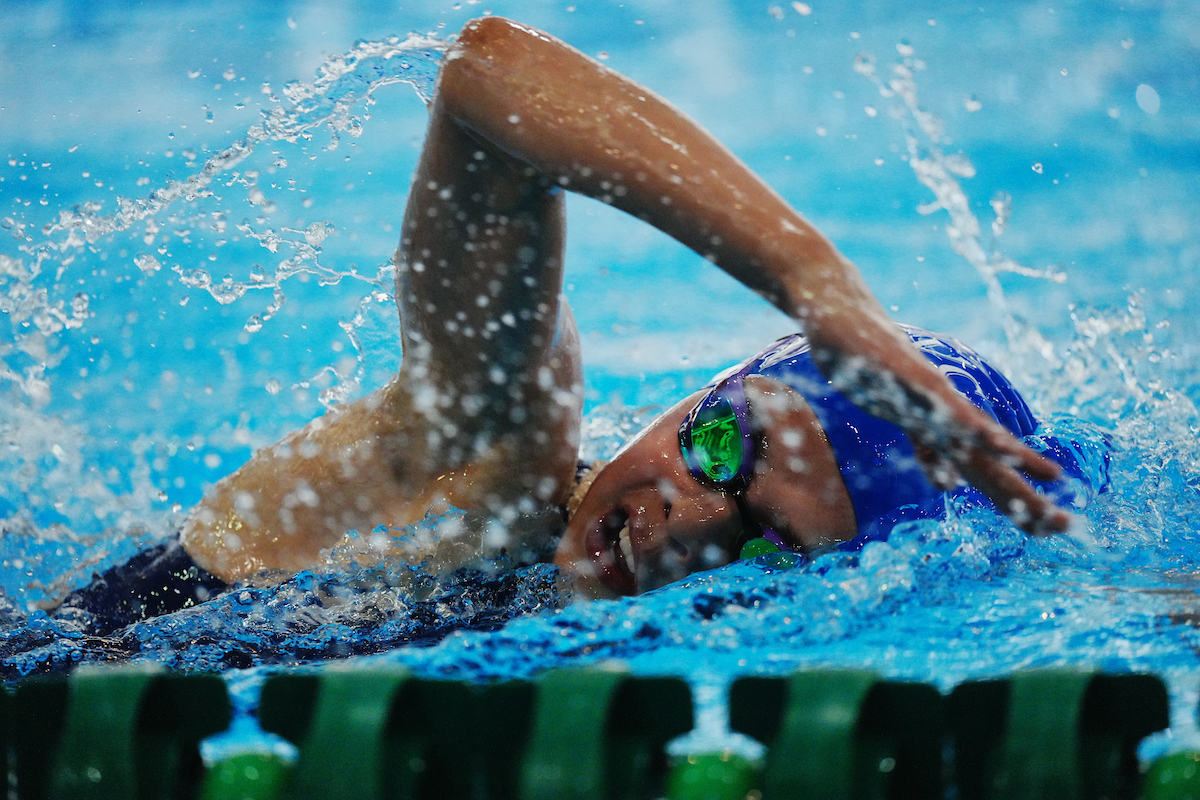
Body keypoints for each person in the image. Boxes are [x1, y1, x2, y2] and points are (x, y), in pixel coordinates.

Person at [55, 16, 1082, 632]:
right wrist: (817, 286)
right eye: (720, 445)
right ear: (700, 393)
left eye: (772, 546)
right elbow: (486, 74)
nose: (687, 521)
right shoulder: (489, 460)